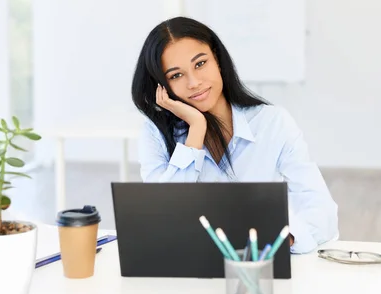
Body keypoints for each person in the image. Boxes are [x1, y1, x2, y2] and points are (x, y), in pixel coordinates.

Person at [130, 16, 339, 254]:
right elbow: (162, 216)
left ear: (218, 60)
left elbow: (324, 215)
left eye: (200, 64)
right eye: (176, 75)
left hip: (258, 266)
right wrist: (196, 130)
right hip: (186, 271)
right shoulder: (154, 133)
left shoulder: (272, 122)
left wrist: (285, 239)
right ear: (162, 87)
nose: (194, 82)